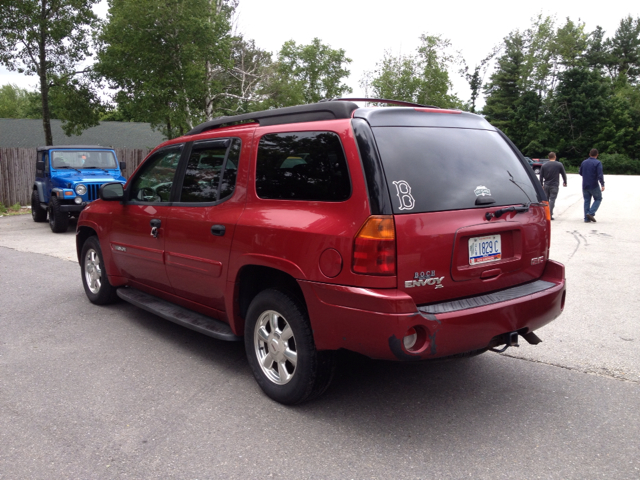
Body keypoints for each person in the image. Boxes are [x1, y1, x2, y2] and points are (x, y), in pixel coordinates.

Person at [579, 148, 605, 223]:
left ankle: (586, 218)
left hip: (585, 185)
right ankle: (590, 213)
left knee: (586, 200)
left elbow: (580, 173)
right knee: (598, 198)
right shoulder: (598, 163)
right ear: (597, 155)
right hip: (594, 185)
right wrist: (602, 184)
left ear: (589, 154)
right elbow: (600, 174)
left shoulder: (584, 162)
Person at [539, 152, 567, 220]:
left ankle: (545, 214)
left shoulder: (544, 165)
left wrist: (541, 184)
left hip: (546, 185)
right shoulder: (559, 164)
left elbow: (541, 176)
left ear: (548, 157)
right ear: (555, 157)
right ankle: (550, 214)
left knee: (546, 200)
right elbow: (563, 174)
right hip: (554, 185)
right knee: (552, 200)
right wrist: (565, 182)